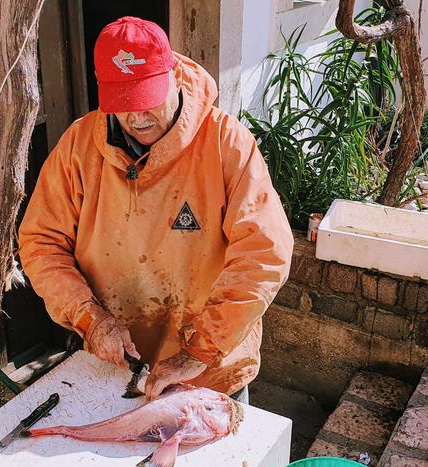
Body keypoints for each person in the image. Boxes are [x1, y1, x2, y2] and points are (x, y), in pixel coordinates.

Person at [18, 17, 293, 404]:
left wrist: (199, 351)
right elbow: (41, 243)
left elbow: (264, 253)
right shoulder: (78, 146)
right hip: (113, 365)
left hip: (209, 372)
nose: (138, 117)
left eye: (148, 99)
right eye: (124, 104)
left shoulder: (225, 142)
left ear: (175, 75)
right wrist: (89, 319)